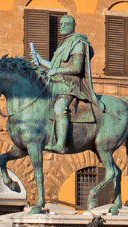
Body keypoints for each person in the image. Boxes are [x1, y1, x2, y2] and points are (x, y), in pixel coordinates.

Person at [30, 15, 101, 153]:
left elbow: (76, 68)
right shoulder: (64, 43)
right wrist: (41, 60)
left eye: (65, 24)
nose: (62, 27)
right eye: (61, 24)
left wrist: (56, 70)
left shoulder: (78, 44)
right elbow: (53, 66)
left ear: (73, 25)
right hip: (57, 84)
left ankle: (61, 144)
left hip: (70, 86)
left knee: (59, 108)